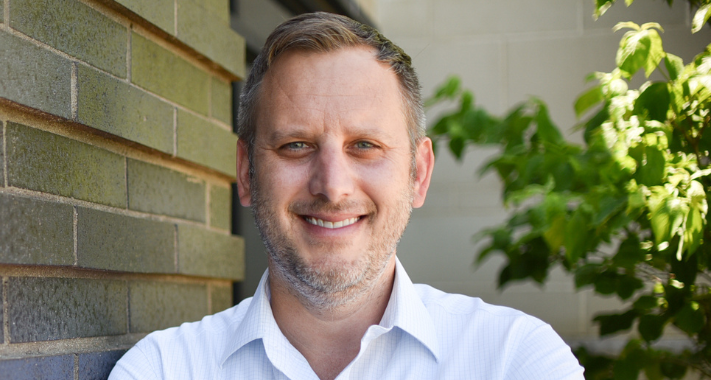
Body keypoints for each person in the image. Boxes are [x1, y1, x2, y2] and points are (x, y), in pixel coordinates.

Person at [109, 12, 584, 380]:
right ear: (247, 173)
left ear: (418, 173)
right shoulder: (164, 369)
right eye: (296, 145)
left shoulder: (514, 360)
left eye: (365, 146)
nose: (332, 186)